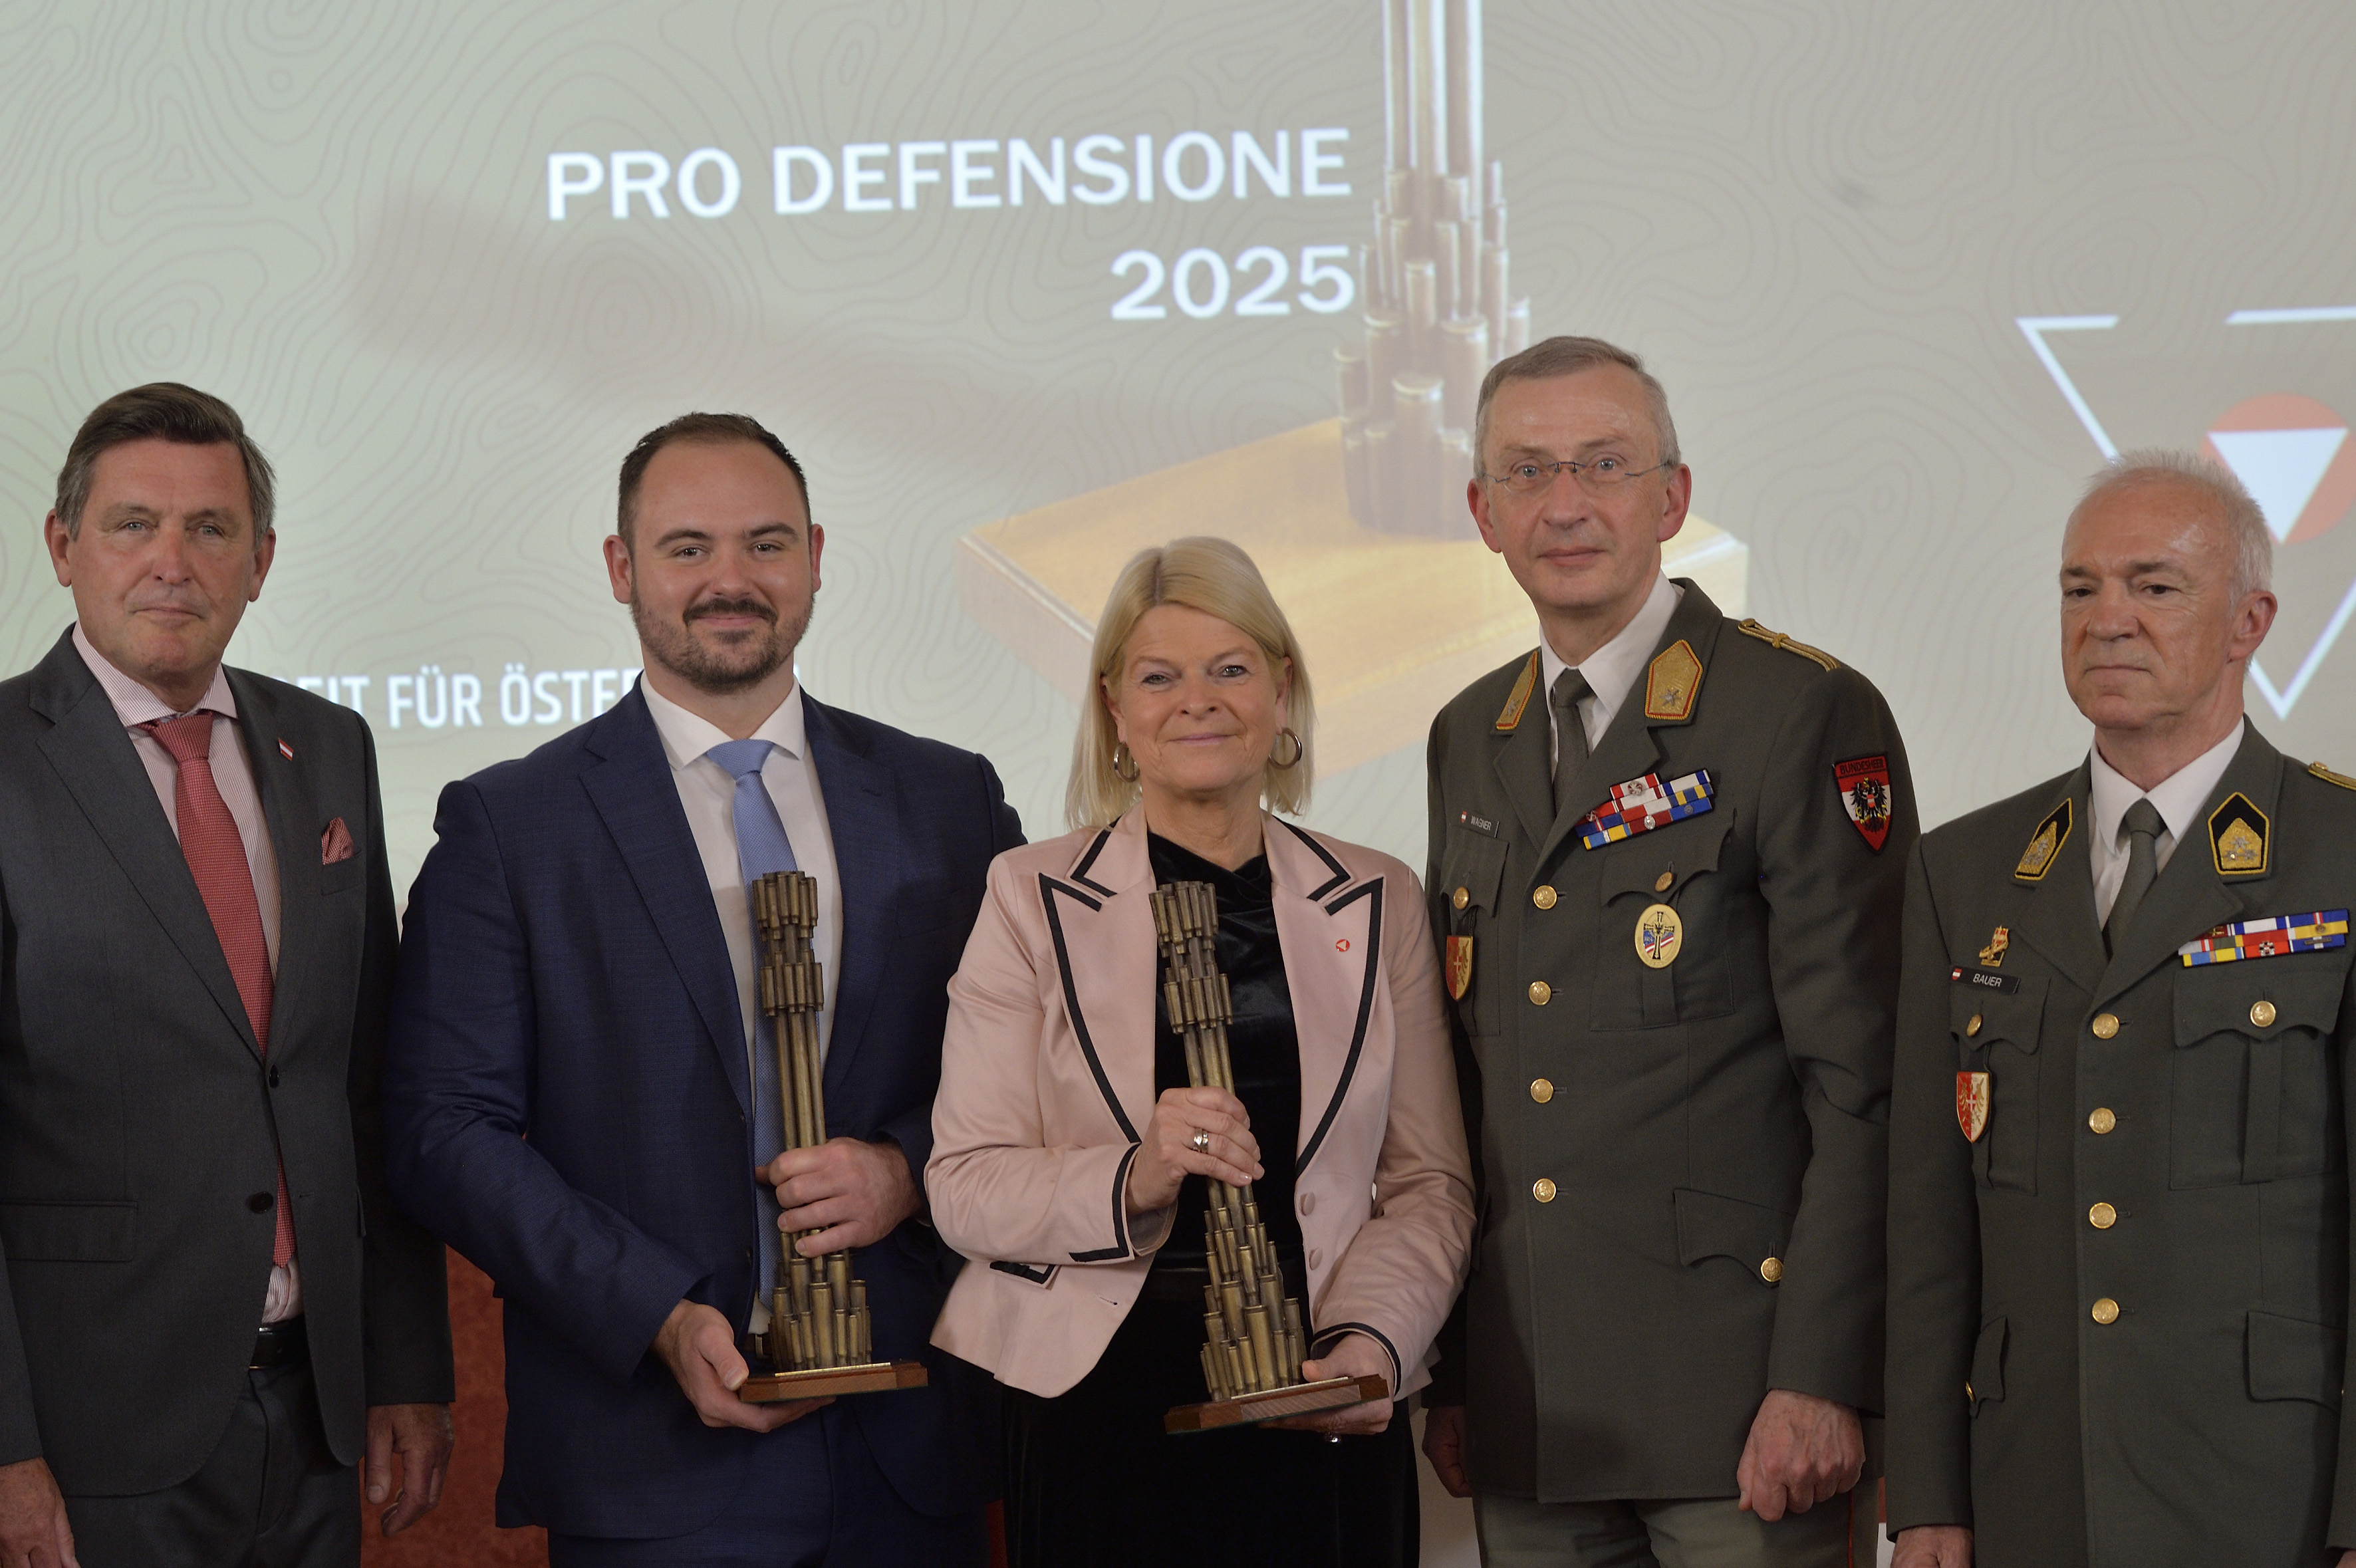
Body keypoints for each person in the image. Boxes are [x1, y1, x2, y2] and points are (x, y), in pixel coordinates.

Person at [382, 412, 1021, 1565]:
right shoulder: (510, 825)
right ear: (622, 567)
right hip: (650, 1459)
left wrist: (906, 1170)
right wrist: (657, 1315)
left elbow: (1037, 1065)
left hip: (915, 1445)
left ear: (815, 558)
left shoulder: (950, 799)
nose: (731, 579)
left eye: (765, 543)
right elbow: (442, 1128)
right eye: (688, 548)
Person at [1419, 336, 1916, 1565]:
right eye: (1528, 471)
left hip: (1739, 1406)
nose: (1566, 503)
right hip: (1536, 1404)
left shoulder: (1796, 711)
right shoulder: (1467, 736)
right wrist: (1460, 1373)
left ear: (1673, 497)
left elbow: (1866, 1085)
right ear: (1483, 513)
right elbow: (1471, 1087)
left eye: (1605, 463)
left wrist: (1826, 1374)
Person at [927, 537, 1474, 1567]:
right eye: (1158, 676)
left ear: (1282, 688)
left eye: (1230, 667)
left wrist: (1370, 1344)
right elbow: (965, 1185)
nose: (1198, 701)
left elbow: (1428, 1184)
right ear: (1114, 708)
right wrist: (1134, 1174)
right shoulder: (1027, 896)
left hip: (1320, 1382)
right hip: (1101, 1404)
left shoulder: (1381, 895)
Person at [0, 384, 455, 1566]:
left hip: (317, 1420)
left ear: (260, 561)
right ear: (62, 546)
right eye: (133, 524)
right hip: (89, 1438)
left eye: (211, 528)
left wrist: (406, 1364)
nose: (174, 561)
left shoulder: (330, 746)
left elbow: (368, 1084)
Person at [1885, 452, 2356, 1567]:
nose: (2108, 619)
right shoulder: (1967, 870)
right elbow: (1928, 1219)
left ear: (2249, 622)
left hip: (2266, 1493)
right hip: (2032, 1486)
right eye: (2080, 586)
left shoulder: (2340, 852)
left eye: (2155, 585)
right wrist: (1930, 1496)